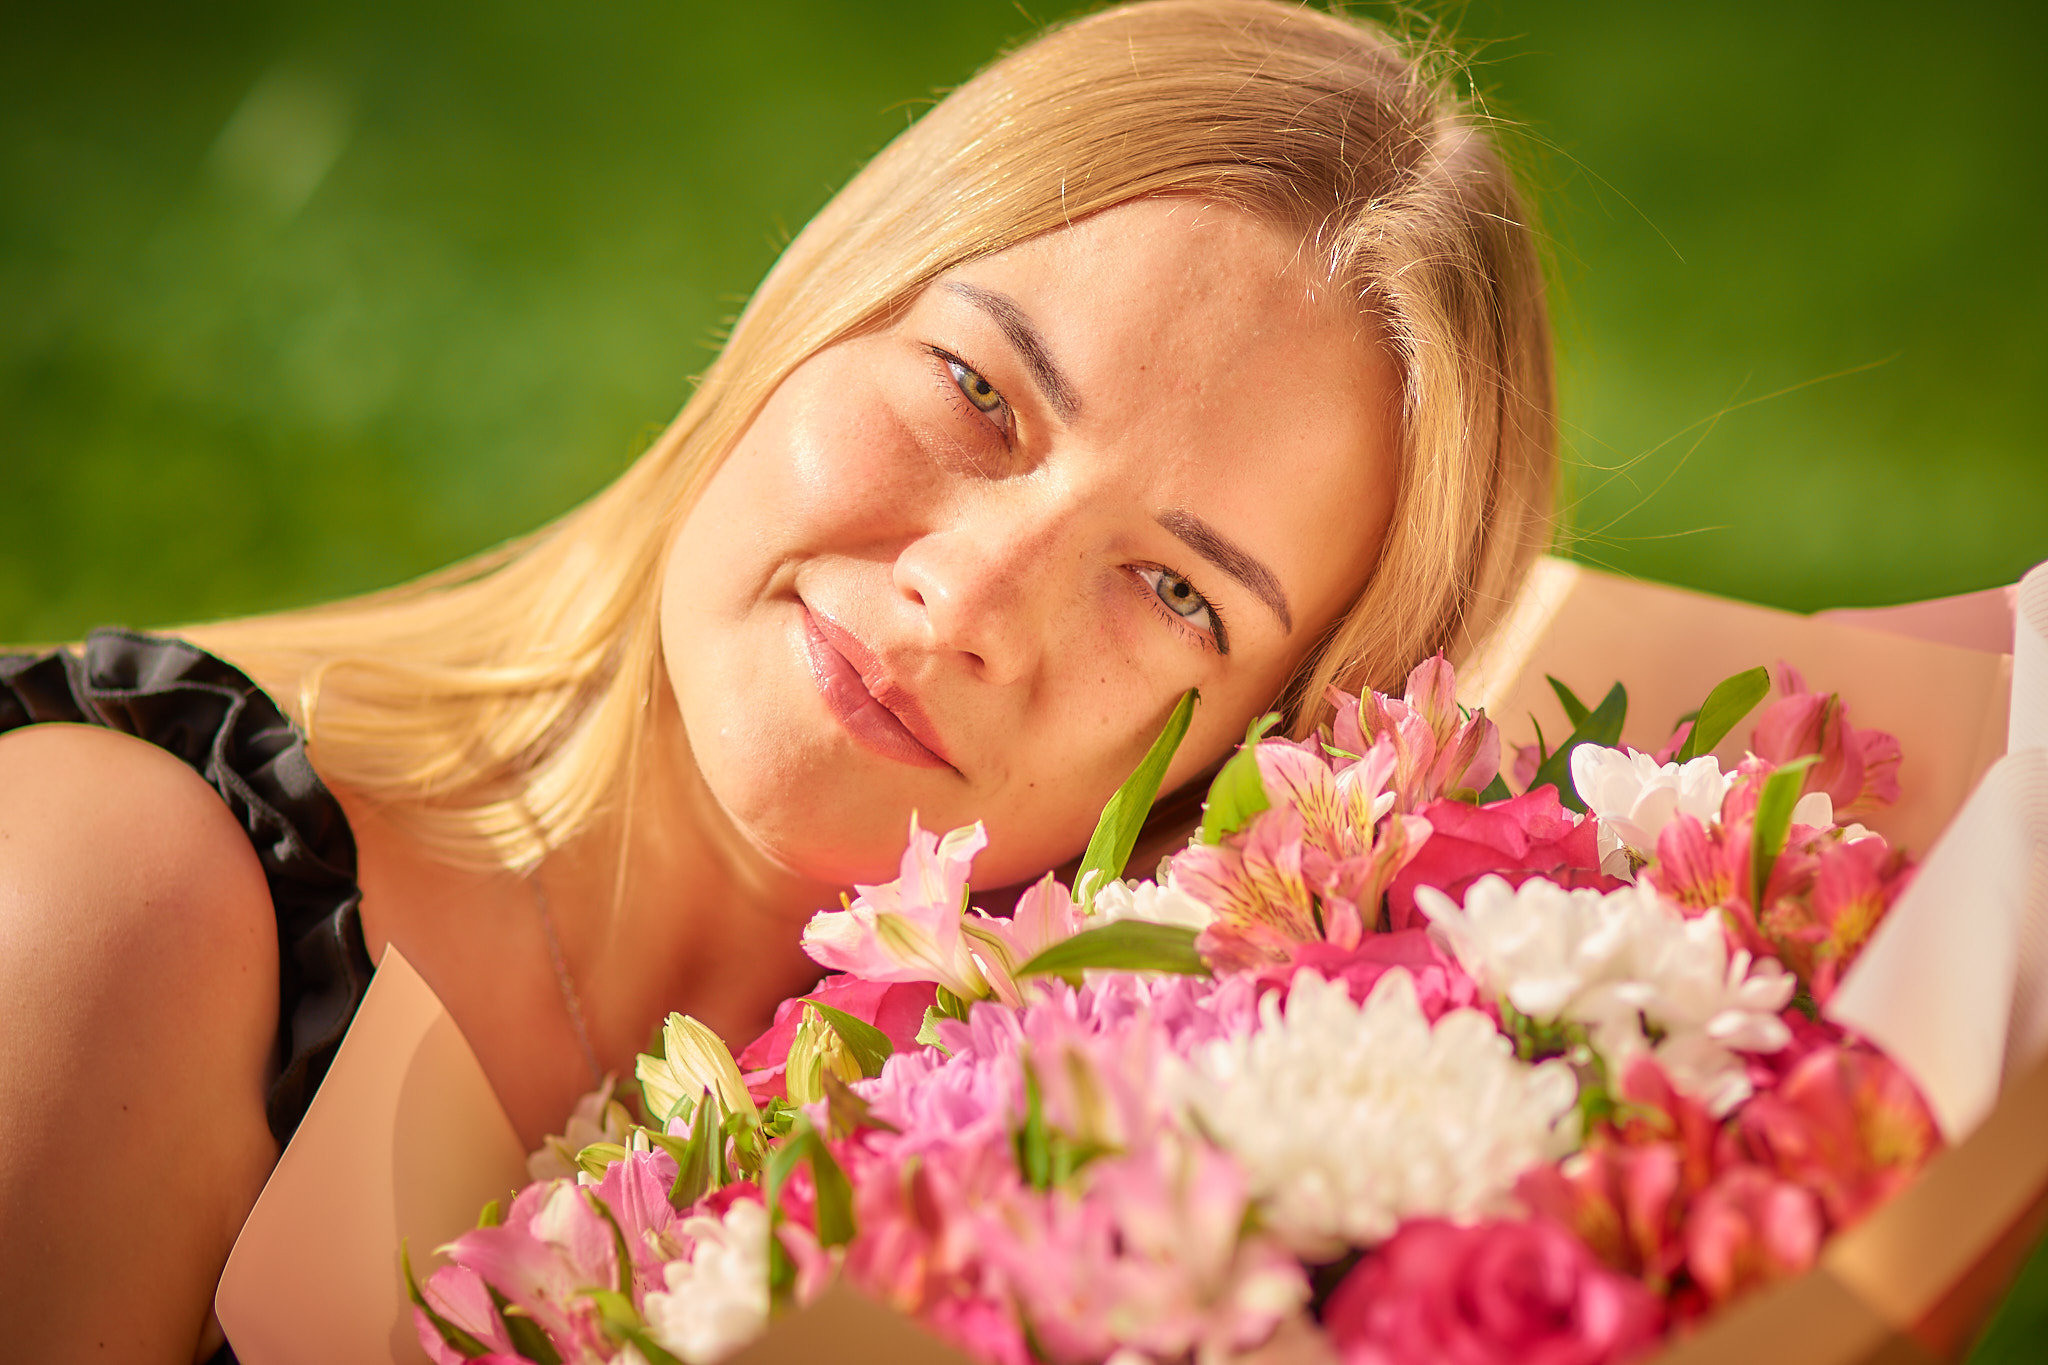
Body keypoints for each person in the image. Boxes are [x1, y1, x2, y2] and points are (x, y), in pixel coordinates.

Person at [0, 0, 1555, 1358]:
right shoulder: (112, 907)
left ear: (1254, 750)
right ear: (832, 300)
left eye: (1175, 591)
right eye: (978, 388)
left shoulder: (1104, 1229)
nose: (966, 598)